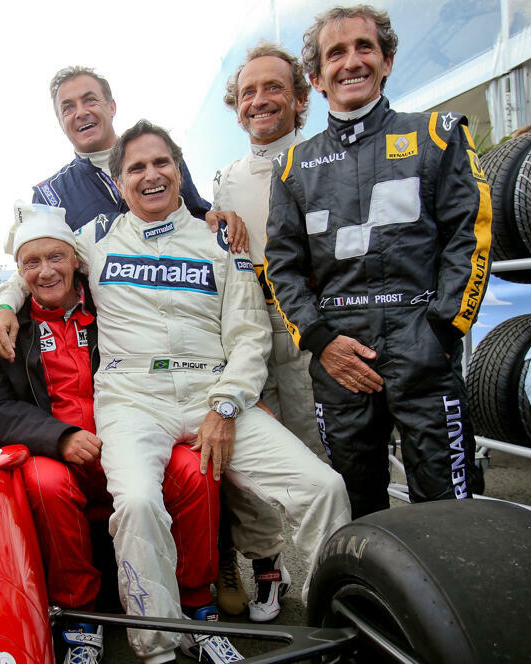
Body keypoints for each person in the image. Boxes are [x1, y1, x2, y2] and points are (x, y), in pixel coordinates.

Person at [0, 121, 349, 664]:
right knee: (136, 503)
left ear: (179, 172)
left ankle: (337, 628)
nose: (151, 175)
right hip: (133, 399)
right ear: (120, 183)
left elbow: (250, 336)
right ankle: (158, 646)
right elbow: (37, 258)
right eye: (136, 167)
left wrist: (226, 406)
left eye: (162, 163)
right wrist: (0, 303)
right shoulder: (96, 242)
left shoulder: (219, 241)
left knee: (323, 486)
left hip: (215, 395)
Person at [265, 4, 491, 518]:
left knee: (448, 506)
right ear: (318, 78)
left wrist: (443, 329)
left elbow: (471, 236)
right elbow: (282, 266)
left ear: (387, 60)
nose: (351, 62)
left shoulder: (439, 134)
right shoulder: (292, 168)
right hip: (340, 353)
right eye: (335, 53)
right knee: (357, 505)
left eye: (364, 47)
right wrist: (320, 341)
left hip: (422, 341)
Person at [0, 205, 227, 664]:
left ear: (77, 261)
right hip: (65, 458)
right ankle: (79, 613)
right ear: (18, 272)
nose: (45, 271)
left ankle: (196, 601)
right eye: (31, 262)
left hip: (137, 436)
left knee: (195, 468)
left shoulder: (115, 301)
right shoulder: (6, 325)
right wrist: (61, 437)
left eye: (56, 257)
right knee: (42, 481)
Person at [0, 66, 249, 342]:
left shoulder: (160, 161)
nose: (81, 112)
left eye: (90, 100)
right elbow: (37, 264)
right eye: (68, 107)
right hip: (106, 344)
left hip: (188, 331)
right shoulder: (51, 194)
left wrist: (221, 219)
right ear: (60, 121)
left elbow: (199, 223)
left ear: (112, 106)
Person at [208, 42, 319, 621]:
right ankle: (267, 567)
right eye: (248, 91)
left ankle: (333, 567)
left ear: (301, 97)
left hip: (310, 330)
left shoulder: (326, 158)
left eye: (273, 87)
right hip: (249, 328)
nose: (259, 100)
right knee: (252, 460)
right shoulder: (226, 178)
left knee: (317, 453)